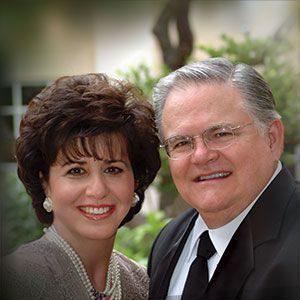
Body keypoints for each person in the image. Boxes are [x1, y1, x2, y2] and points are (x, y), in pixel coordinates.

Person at [148, 57, 300, 300]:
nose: (201, 156)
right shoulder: (169, 241)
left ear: (272, 138)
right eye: (181, 143)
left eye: (220, 134)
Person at [3, 73, 161, 299]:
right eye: (76, 171)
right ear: (44, 182)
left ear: (135, 180)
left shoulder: (142, 285)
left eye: (113, 169)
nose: (97, 190)